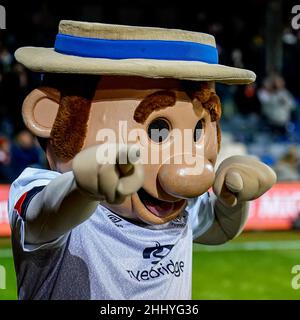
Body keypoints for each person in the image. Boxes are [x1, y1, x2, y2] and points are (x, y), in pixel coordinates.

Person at [8, 20, 276, 300]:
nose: (186, 174)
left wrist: (234, 196)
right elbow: (47, 214)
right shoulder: (35, 186)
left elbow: (220, 226)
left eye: (199, 129)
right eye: (158, 130)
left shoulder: (176, 205)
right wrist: (82, 187)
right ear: (49, 115)